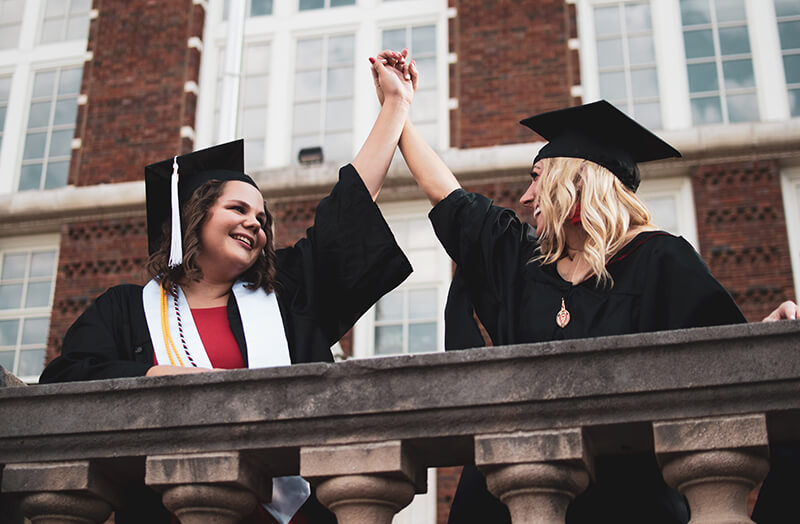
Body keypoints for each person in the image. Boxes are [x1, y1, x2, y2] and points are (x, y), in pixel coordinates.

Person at [371, 50, 798, 524]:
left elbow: (721, 362)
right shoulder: (521, 260)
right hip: (511, 499)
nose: (526, 196)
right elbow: (445, 194)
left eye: (537, 179)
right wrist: (399, 106)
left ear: (575, 186)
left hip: (626, 505)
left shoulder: (661, 262)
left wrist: (762, 338)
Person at [39, 55, 415, 524]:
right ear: (194, 218)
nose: (254, 224)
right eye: (238, 209)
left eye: (262, 218)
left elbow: (347, 212)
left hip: (293, 513)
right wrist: (156, 378)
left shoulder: (285, 298)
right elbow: (64, 383)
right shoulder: (127, 310)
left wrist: (395, 106)